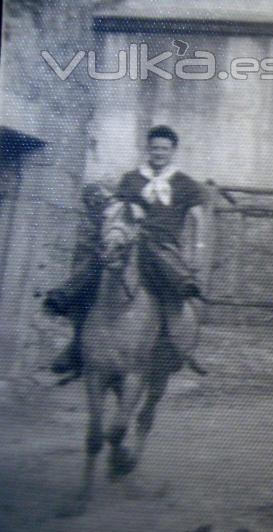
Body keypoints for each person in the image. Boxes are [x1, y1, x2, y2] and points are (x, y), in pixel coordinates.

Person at [44, 125, 207, 379]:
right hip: (129, 238)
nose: (159, 153)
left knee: (170, 284)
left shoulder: (186, 184)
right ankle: (73, 331)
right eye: (154, 148)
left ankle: (176, 342)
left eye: (164, 148)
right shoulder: (131, 178)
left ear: (173, 150)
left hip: (163, 243)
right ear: (148, 149)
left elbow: (197, 218)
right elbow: (118, 210)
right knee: (97, 269)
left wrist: (197, 249)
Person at [42, 183, 114, 381]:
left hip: (119, 254)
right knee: (82, 307)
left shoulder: (115, 213)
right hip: (94, 269)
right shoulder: (87, 220)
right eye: (92, 201)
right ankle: (77, 351)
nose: (97, 204)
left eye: (101, 200)